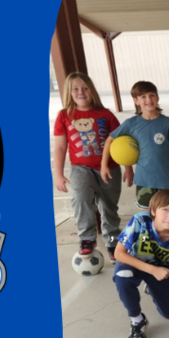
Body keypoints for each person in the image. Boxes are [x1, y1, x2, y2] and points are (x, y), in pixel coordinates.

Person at [112, 188, 169, 338]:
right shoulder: (140, 221)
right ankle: (137, 320)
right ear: (154, 211)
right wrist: (152, 270)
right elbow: (119, 254)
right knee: (122, 275)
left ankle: (151, 286)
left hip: (160, 270)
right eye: (165, 209)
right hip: (133, 263)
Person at [53, 72, 124, 258]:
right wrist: (58, 174)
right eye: (75, 89)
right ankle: (87, 238)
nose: (81, 92)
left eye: (85, 88)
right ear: (69, 92)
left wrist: (129, 168)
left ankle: (112, 241)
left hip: (110, 168)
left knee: (109, 207)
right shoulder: (64, 116)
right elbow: (60, 147)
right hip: (81, 168)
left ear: (92, 91)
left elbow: (121, 143)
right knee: (81, 198)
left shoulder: (106, 115)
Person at [103, 80, 169, 214]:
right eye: (143, 97)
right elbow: (111, 140)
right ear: (136, 101)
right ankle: (150, 237)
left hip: (167, 180)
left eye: (152, 95)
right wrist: (105, 165)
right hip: (144, 181)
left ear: (157, 97)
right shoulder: (131, 124)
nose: (148, 100)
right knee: (146, 217)